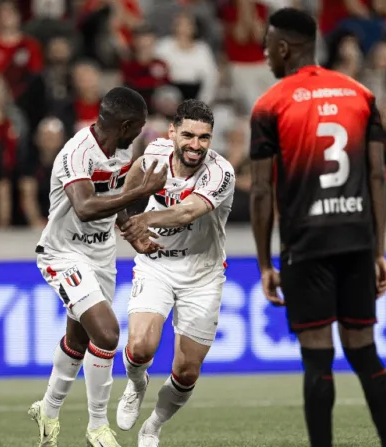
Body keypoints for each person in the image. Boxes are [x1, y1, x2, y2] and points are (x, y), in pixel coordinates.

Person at [249, 8, 386, 447]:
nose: (263, 54)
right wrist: (378, 251)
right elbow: (376, 176)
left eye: (266, 46)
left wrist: (264, 263)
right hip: (356, 239)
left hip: (306, 243)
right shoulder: (361, 95)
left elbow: (261, 191)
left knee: (318, 361)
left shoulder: (269, 105)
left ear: (283, 48)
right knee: (364, 352)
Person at [28, 86, 168, 447]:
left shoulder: (121, 149)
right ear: (125, 124)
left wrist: (129, 231)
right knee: (106, 333)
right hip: (63, 253)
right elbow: (87, 206)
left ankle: (48, 409)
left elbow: (112, 196)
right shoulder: (77, 153)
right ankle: (96, 427)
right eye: (138, 126)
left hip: (101, 254)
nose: (141, 132)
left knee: (78, 339)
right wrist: (140, 193)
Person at [115, 99, 235, 447]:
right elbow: (131, 183)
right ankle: (137, 384)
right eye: (188, 135)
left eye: (204, 138)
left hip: (203, 275)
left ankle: (153, 424)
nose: (195, 145)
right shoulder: (154, 152)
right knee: (140, 347)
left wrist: (143, 220)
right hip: (158, 266)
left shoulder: (220, 172)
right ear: (172, 133)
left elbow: (186, 212)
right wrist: (129, 225)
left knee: (186, 371)